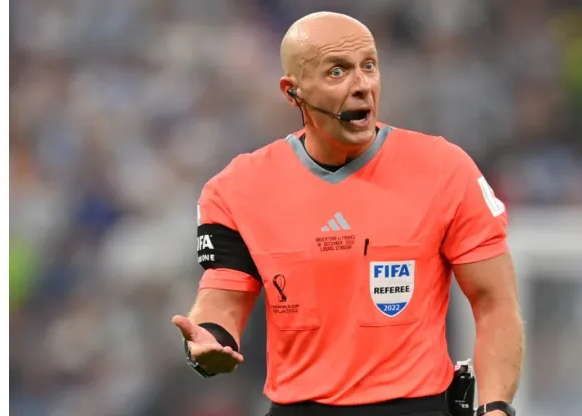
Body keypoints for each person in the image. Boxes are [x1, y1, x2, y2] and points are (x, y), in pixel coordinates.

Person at [172, 11, 524, 416]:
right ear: (293, 92)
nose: (361, 86)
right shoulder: (236, 188)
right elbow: (223, 299)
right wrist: (209, 338)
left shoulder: (446, 170)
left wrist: (496, 407)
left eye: (369, 66)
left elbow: (495, 302)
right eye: (337, 71)